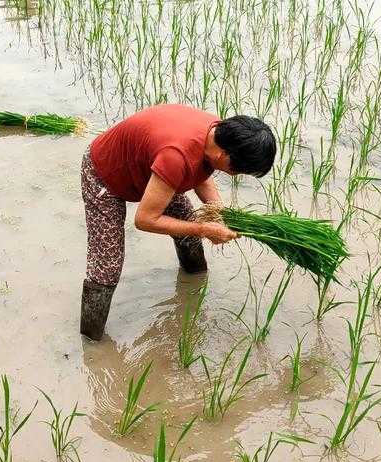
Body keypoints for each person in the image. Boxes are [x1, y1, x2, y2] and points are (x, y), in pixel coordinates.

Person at [80, 104, 276, 340]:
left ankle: (193, 286)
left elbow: (199, 173)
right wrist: (204, 229)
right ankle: (91, 340)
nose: (235, 176)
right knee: (106, 266)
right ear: (223, 156)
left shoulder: (216, 135)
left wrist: (219, 212)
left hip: (153, 170)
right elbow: (145, 220)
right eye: (237, 172)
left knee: (188, 228)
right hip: (104, 174)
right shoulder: (177, 156)